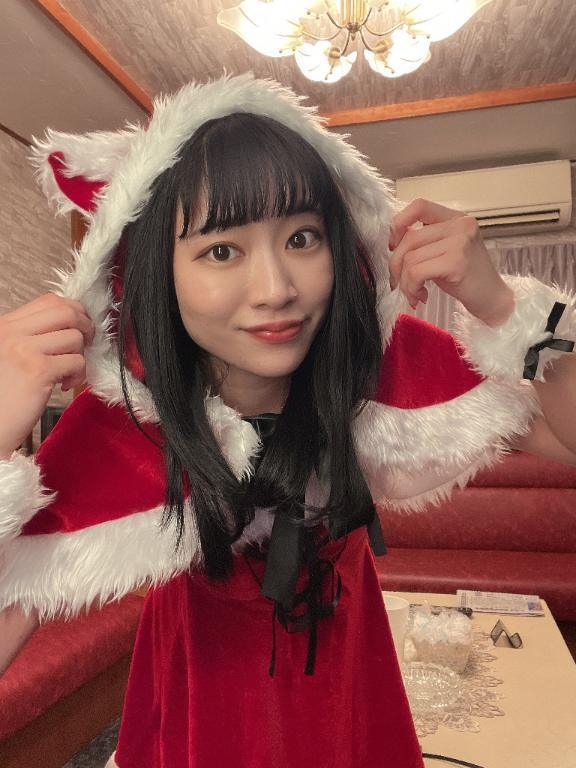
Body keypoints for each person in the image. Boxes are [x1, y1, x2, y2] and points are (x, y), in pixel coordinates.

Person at [0, 73, 575, 768]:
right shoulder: (125, 427)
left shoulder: (374, 372)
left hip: (346, 690)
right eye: (221, 250)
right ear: (155, 272)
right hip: (204, 710)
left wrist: (507, 309)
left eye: (302, 237)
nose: (277, 289)